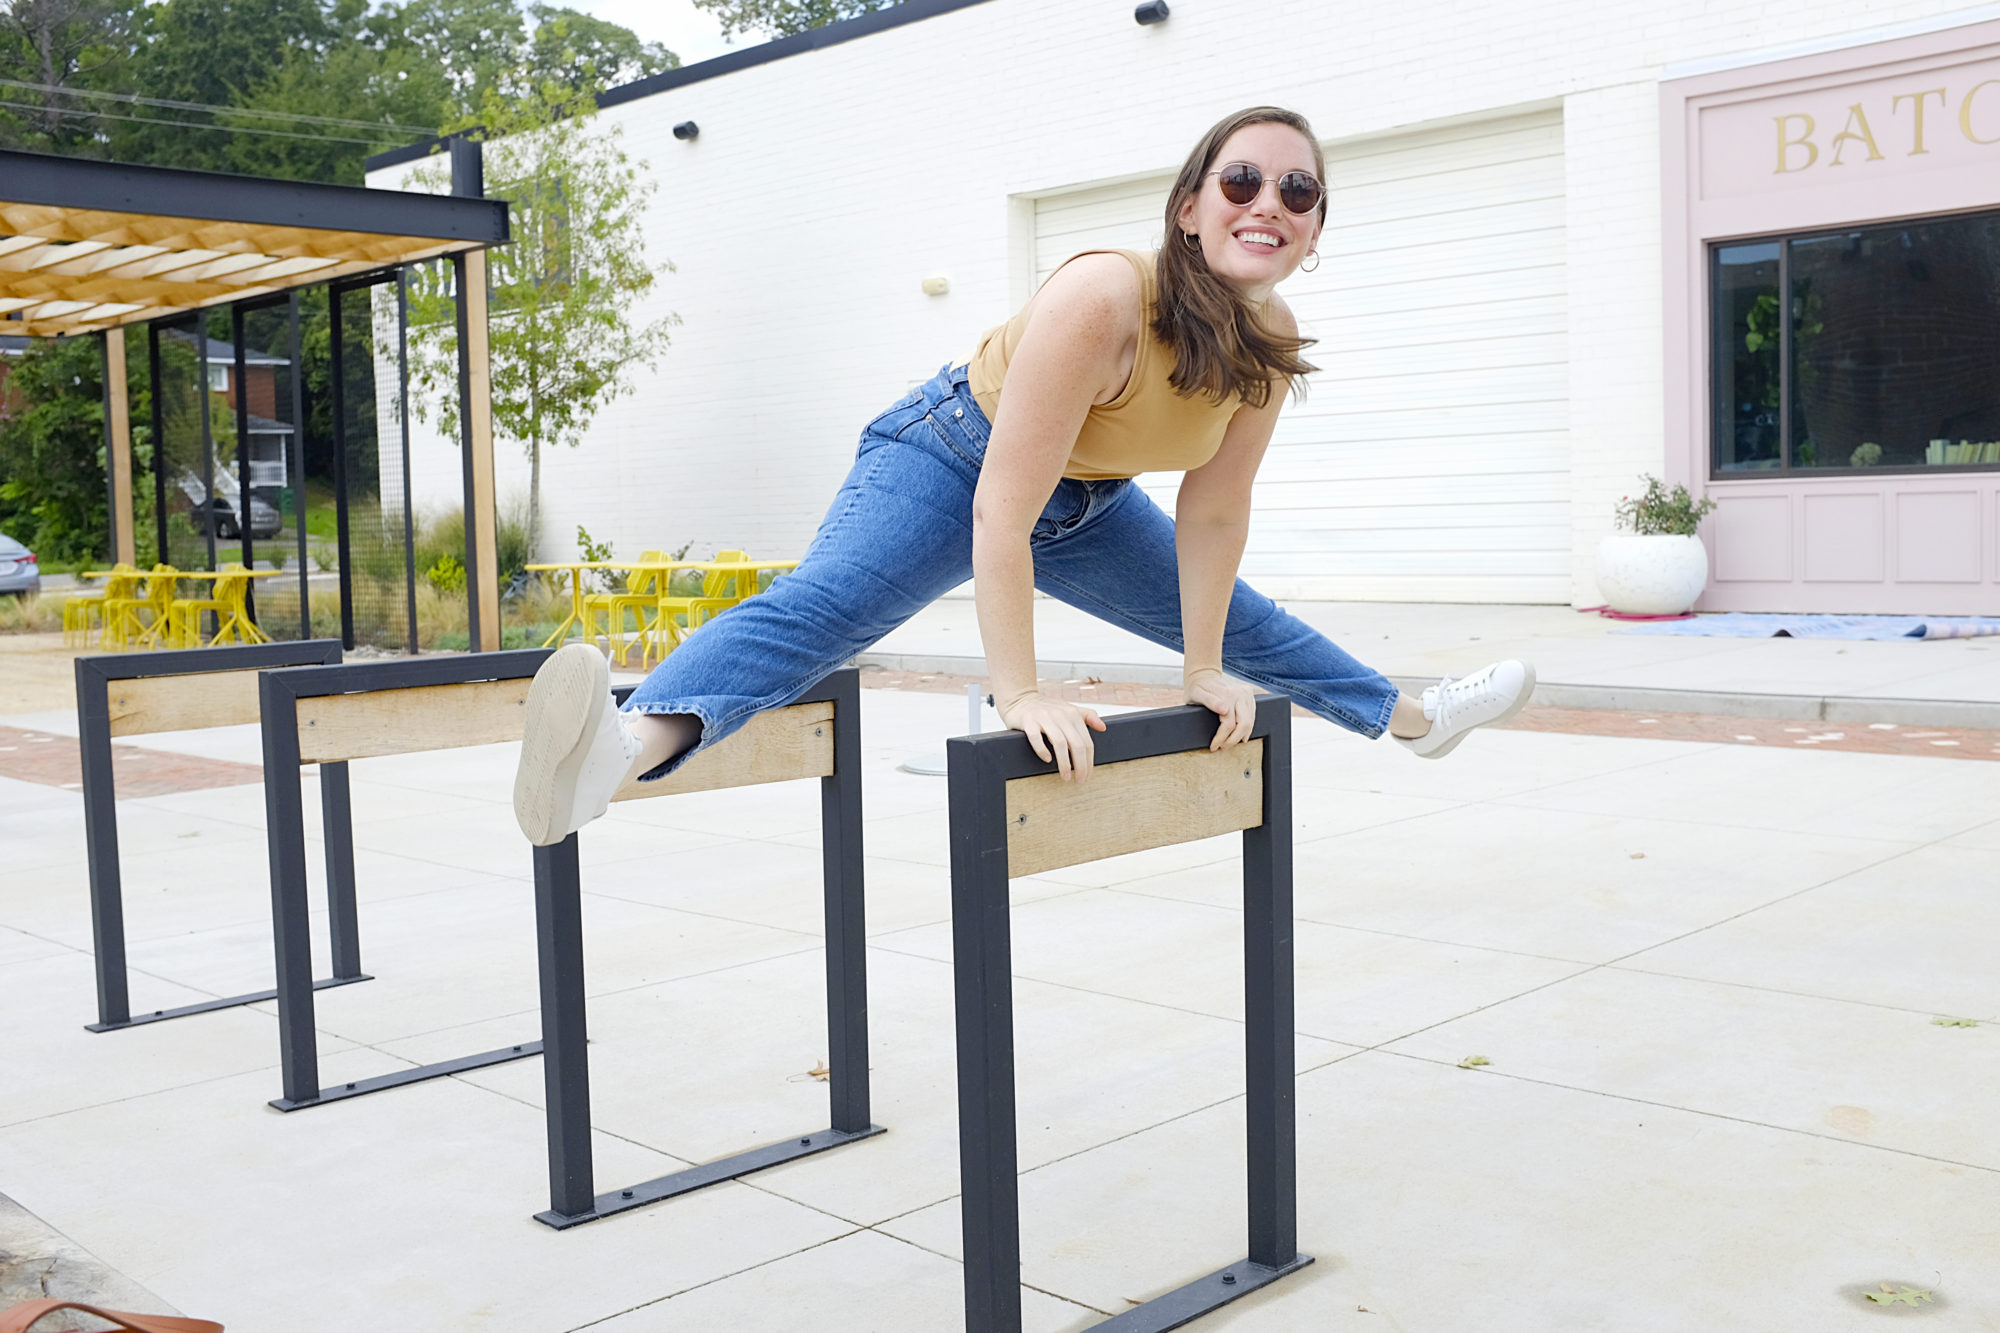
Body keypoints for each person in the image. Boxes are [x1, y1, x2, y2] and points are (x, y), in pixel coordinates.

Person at [512, 105, 1534, 846]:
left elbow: (1214, 513)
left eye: (1297, 190)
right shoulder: (1103, 295)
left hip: (1084, 505)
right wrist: (1019, 691)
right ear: (1188, 207)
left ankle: (1414, 720)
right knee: (824, 610)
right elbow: (1000, 508)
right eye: (1241, 180)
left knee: (1250, 629)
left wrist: (1201, 670)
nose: (1268, 201)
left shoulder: (1267, 337)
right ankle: (614, 754)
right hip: (951, 454)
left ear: (1311, 229)